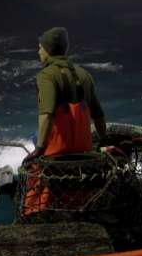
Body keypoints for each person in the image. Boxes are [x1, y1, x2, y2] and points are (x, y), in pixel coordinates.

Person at [23, 27, 108, 163]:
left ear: (48, 50)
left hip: (58, 150)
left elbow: (47, 115)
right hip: (83, 147)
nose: (38, 52)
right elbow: (98, 115)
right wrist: (104, 140)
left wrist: (39, 150)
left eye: (40, 48)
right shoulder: (85, 74)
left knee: (35, 136)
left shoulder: (46, 76)